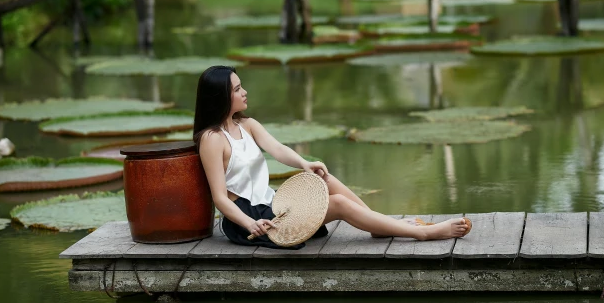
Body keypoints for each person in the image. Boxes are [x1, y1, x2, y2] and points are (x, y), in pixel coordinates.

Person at [193, 66, 471, 248]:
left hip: (272, 204)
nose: (244, 92)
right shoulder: (212, 139)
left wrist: (304, 164)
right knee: (337, 203)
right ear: (220, 97)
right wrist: (250, 223)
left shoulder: (247, 124)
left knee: (325, 179)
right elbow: (219, 198)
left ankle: (380, 224)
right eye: (238, 89)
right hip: (251, 220)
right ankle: (422, 233)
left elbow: (278, 150)